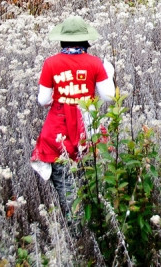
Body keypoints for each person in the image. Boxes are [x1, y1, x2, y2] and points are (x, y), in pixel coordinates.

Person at [30, 16, 115, 223]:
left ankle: (74, 228)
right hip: (88, 126)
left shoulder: (51, 63)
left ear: (62, 40)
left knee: (66, 184)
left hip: (58, 128)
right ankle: (96, 225)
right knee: (92, 177)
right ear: (86, 40)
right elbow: (109, 96)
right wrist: (109, 73)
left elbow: (43, 100)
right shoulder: (95, 63)